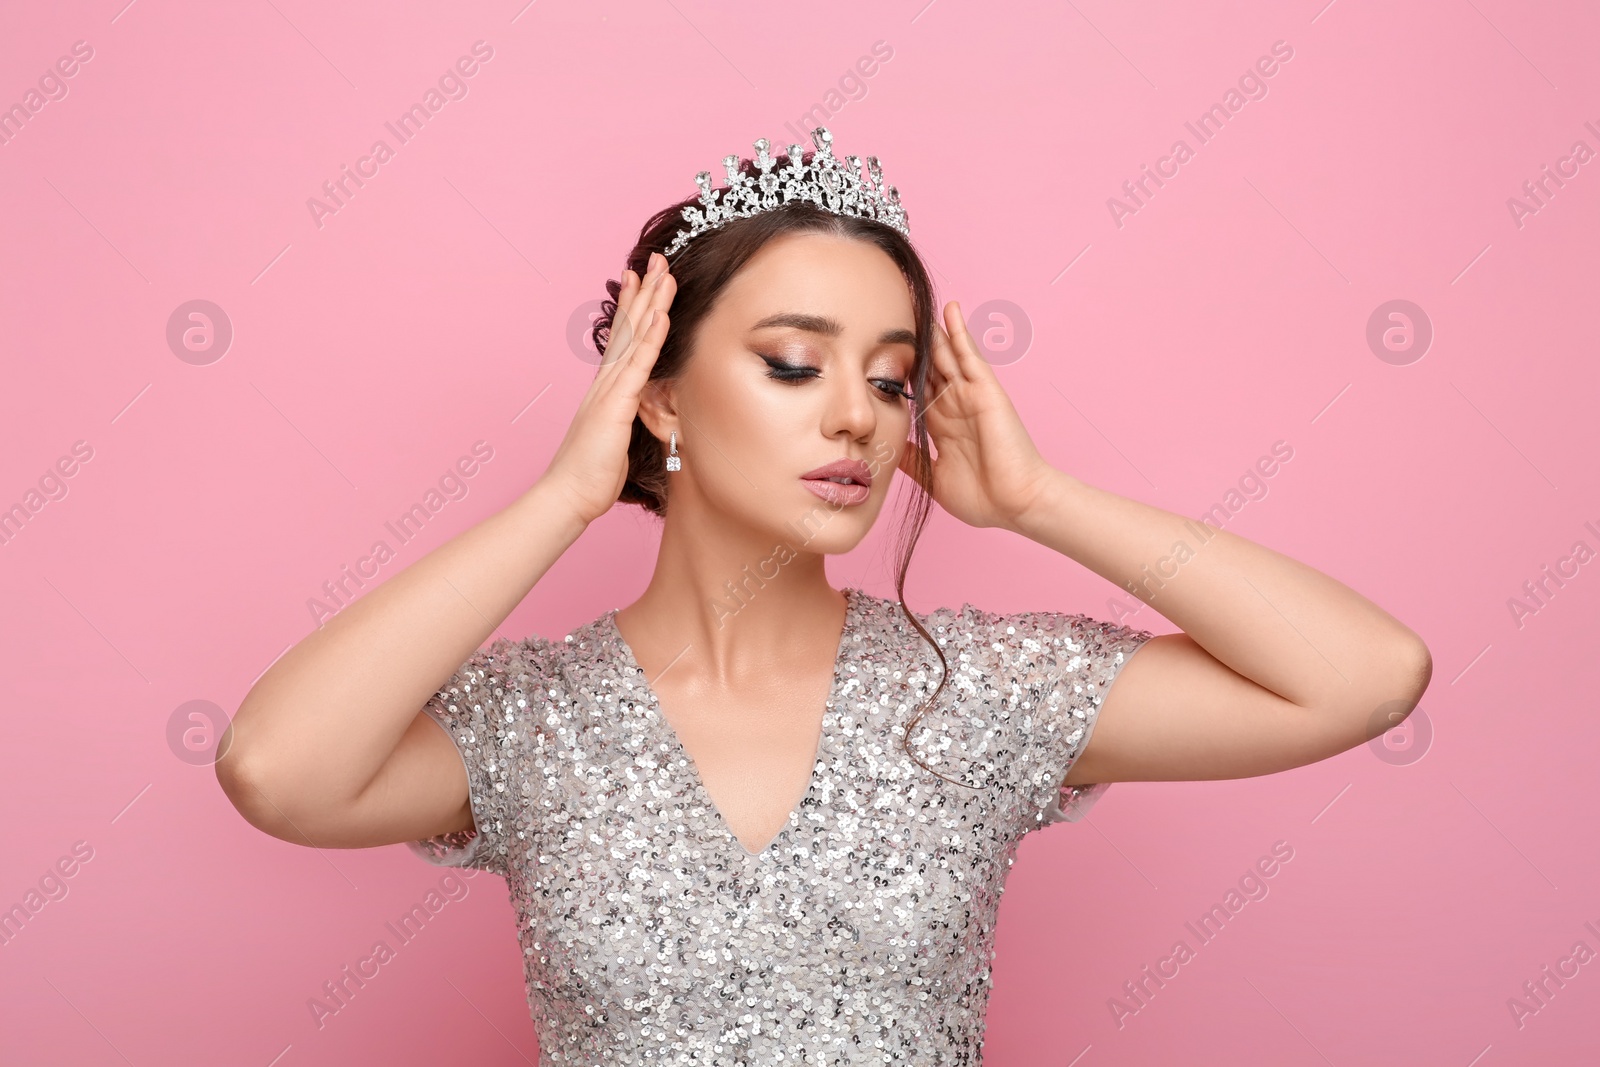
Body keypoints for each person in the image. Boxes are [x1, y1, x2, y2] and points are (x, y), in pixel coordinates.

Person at [217, 127, 1432, 1063]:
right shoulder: (534, 718)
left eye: (892, 378)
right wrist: (559, 502)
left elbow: (1365, 677)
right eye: (794, 363)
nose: (855, 410)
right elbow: (277, 769)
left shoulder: (976, 691)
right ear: (662, 392)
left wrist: (1036, 500)